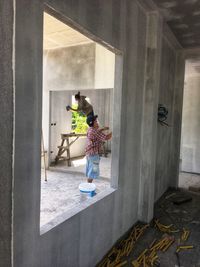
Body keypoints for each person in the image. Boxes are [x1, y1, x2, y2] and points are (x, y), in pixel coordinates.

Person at [85, 115, 112, 183]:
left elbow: (97, 131)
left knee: (91, 170)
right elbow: (106, 137)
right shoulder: (95, 132)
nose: (97, 122)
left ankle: (88, 185)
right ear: (92, 123)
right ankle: (89, 187)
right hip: (93, 155)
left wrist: (103, 129)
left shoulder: (90, 129)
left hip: (89, 154)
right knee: (93, 172)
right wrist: (115, 131)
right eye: (96, 121)